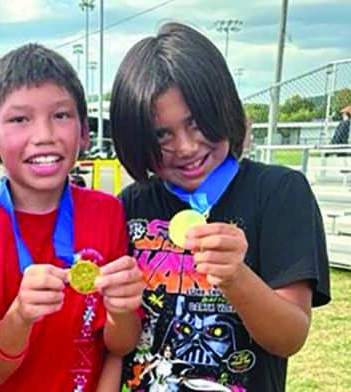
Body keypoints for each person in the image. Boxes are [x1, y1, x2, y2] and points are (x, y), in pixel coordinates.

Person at [109, 22, 330, 392]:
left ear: (223, 107)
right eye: (162, 134)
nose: (185, 147)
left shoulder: (279, 193)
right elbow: (119, 344)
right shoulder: (130, 205)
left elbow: (290, 336)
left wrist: (236, 278)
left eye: (196, 124)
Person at [0, 43, 145, 391]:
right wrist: (21, 315)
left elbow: (121, 344)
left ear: (83, 132)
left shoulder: (107, 212)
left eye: (61, 115)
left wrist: (122, 307)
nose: (45, 136)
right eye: (20, 119)